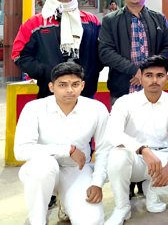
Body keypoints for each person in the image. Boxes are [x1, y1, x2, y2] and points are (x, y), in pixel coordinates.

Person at [105, 56, 168, 225]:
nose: (154, 80)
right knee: (117, 156)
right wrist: (142, 149)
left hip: (162, 156)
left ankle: (152, 189)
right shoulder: (125, 102)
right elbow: (113, 134)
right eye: (149, 75)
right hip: (135, 158)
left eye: (159, 75)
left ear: (167, 78)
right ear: (140, 77)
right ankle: (121, 207)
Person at [14, 62, 109, 225]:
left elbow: (105, 149)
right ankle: (38, 219)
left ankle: (67, 203)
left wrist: (97, 183)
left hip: (76, 170)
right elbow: (21, 150)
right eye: (62, 85)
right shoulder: (34, 108)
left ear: (82, 86)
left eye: (75, 84)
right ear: (51, 87)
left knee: (91, 221)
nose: (69, 90)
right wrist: (67, 150)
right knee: (44, 166)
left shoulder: (96, 109)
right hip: (41, 170)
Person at [12, 0, 103, 98]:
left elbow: (102, 50)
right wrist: (45, 72)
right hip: (49, 91)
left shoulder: (91, 20)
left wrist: (91, 70)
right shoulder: (35, 23)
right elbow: (18, 55)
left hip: (86, 91)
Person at [99, 0, 168, 105]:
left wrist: (147, 71)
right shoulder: (110, 20)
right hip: (122, 87)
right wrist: (135, 70)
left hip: (153, 85)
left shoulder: (159, 19)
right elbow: (105, 52)